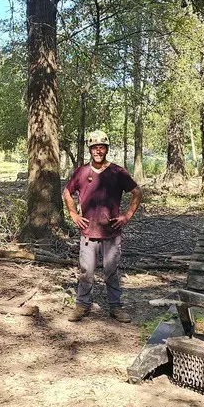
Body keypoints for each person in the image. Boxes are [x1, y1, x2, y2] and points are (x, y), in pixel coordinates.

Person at [62, 130, 142, 323]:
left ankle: (115, 307)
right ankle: (82, 305)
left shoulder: (117, 172)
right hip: (88, 233)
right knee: (86, 271)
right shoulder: (81, 172)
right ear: (90, 149)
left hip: (111, 233)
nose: (98, 151)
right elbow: (66, 191)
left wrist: (127, 215)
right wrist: (73, 213)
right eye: (95, 147)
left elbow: (137, 192)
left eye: (101, 147)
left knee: (111, 271)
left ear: (106, 149)